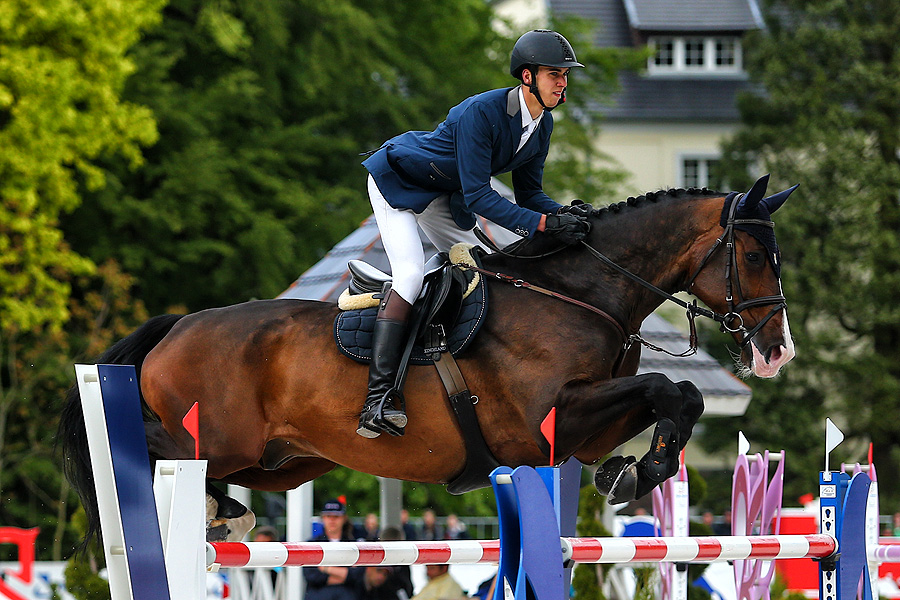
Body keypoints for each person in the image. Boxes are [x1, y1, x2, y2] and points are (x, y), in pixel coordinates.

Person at [357, 29, 591, 438]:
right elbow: (480, 196)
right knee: (409, 274)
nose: (562, 82)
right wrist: (541, 224)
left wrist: (563, 213)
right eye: (555, 74)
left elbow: (530, 194)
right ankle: (376, 401)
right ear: (527, 76)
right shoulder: (482, 112)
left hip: (441, 195)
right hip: (399, 183)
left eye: (565, 75)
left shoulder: (542, 124)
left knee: (485, 271)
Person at [304, 499, 363, 600]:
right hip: (318, 595)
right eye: (328, 516)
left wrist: (325, 568)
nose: (332, 520)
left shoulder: (353, 545)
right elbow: (311, 576)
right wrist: (343, 574)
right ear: (323, 518)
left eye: (336, 516)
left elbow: (357, 576)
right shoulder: (312, 544)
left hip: (346, 595)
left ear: (344, 518)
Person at [357, 527, 414, 600]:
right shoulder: (372, 557)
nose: (381, 576)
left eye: (385, 574)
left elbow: (408, 590)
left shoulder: (403, 565)